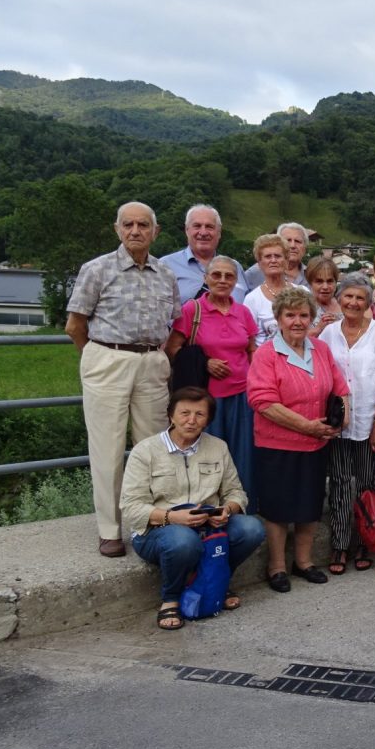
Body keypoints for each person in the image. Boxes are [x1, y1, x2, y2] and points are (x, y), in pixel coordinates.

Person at [66, 201, 180, 557]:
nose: (135, 231)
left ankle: (151, 520)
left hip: (150, 361)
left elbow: (174, 322)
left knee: (153, 447)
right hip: (107, 358)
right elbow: (74, 325)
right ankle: (109, 529)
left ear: (155, 232)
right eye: (128, 224)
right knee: (108, 448)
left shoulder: (166, 274)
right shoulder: (96, 269)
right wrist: (96, 357)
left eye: (143, 225)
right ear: (117, 229)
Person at [121, 387, 265, 630]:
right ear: (171, 415)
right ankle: (171, 598)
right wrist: (172, 517)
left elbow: (236, 493)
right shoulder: (145, 451)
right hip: (160, 529)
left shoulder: (218, 447)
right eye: (184, 413)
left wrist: (227, 510)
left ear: (208, 419)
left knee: (252, 529)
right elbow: (131, 507)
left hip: (208, 525)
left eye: (200, 414)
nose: (191, 420)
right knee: (183, 541)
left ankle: (211, 578)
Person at [247, 288, 350, 592]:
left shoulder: (320, 349)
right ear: (278, 319)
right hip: (277, 445)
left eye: (303, 315)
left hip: (317, 443)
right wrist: (307, 426)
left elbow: (340, 388)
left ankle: (303, 561)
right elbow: (262, 401)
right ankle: (277, 566)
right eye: (290, 315)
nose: (297, 321)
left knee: (309, 505)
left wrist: (340, 418)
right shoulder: (266, 353)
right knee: (278, 508)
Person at [319, 275, 375, 574]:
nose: (353, 302)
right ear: (340, 300)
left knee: (367, 483)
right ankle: (340, 545)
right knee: (340, 483)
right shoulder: (328, 333)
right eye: (348, 297)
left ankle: (367, 540)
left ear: (368, 304)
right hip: (340, 423)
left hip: (369, 422)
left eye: (360, 298)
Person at [164, 256, 258, 499]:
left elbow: (251, 350)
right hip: (206, 399)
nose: (223, 280)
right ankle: (207, 509)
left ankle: (241, 508)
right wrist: (204, 363)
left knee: (242, 456)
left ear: (236, 281)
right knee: (206, 456)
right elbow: (173, 348)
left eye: (229, 276)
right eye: (216, 275)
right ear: (206, 278)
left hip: (241, 395)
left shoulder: (243, 312)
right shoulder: (192, 310)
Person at [160, 204, 249, 304]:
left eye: (209, 227)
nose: (203, 232)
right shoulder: (165, 266)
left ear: (219, 233)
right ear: (187, 230)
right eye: (197, 226)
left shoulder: (235, 267)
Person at [243, 234, 294, 345]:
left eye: (278, 256)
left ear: (286, 261)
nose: (273, 260)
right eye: (268, 256)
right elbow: (249, 344)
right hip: (265, 359)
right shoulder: (252, 299)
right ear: (260, 263)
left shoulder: (302, 292)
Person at [245, 222, 309, 289]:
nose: (292, 245)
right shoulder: (255, 273)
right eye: (288, 240)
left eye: (297, 241)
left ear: (305, 248)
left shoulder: (312, 274)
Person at [306, 256, 342, 335]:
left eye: (330, 281)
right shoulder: (303, 307)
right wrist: (318, 329)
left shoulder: (345, 305)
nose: (325, 287)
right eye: (319, 281)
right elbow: (292, 339)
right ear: (310, 283)